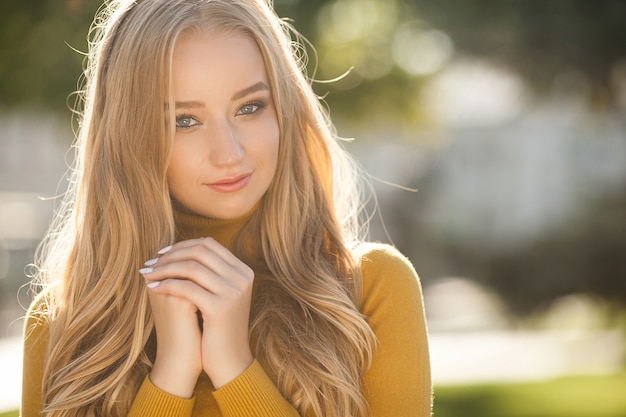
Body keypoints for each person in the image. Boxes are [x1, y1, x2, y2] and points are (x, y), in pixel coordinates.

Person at [22, 0, 432, 416]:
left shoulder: (372, 288)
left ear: (285, 110)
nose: (229, 153)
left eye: (249, 107)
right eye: (184, 120)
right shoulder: (62, 322)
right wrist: (172, 373)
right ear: (129, 136)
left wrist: (234, 367)